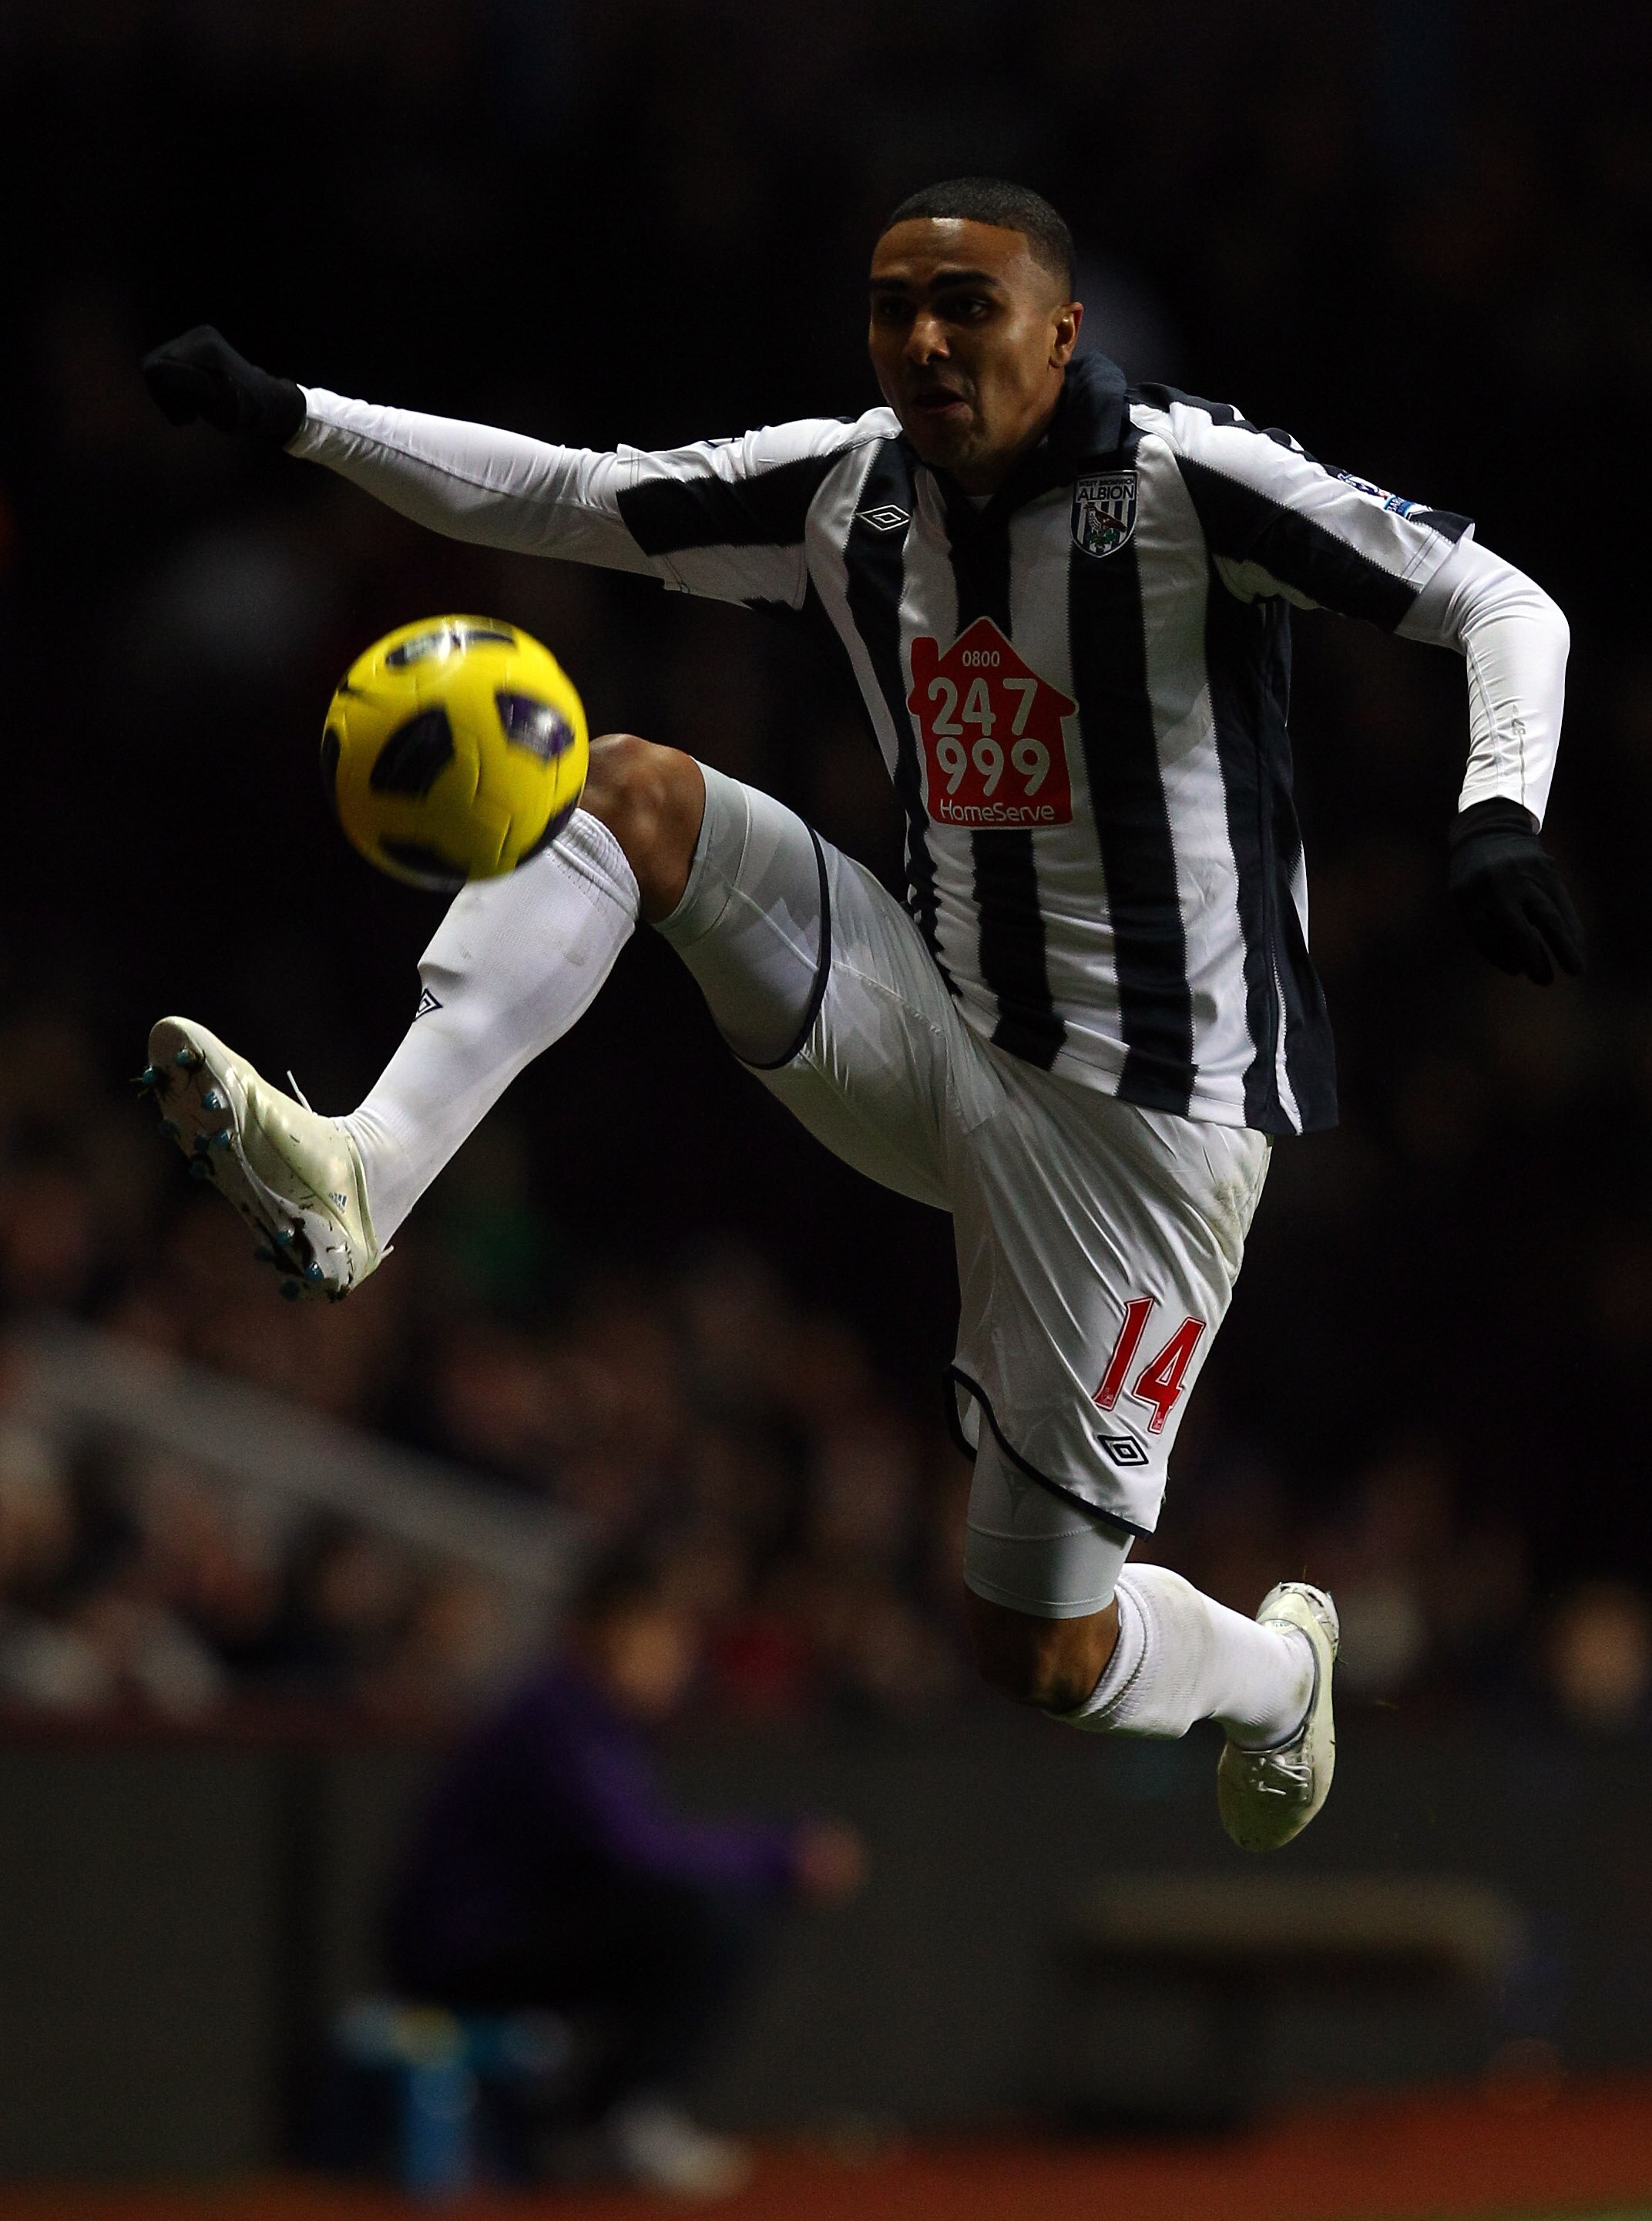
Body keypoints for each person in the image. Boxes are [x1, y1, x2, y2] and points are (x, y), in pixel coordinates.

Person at [139, 176, 1581, 1853]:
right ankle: (361, 1171)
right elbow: (576, 497)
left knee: (1034, 1647)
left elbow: (1502, 600)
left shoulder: (1190, 484)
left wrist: (1496, 811)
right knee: (624, 794)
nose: (921, 339)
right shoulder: (854, 496)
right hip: (928, 1019)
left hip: (1141, 1141)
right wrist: (298, 417)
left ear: (1062, 328)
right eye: (894, 305)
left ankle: (1276, 1675)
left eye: (965, 306)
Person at [384, 1553, 865, 2193]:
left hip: (501, 1936)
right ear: (610, 1632)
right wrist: (781, 1854)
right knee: (705, 1919)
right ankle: (609, 2122)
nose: (679, 1655)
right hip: (460, 1951)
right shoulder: (557, 1718)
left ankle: (601, 2118)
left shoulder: (590, 1718)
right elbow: (642, 1853)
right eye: (664, 1634)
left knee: (710, 1914)